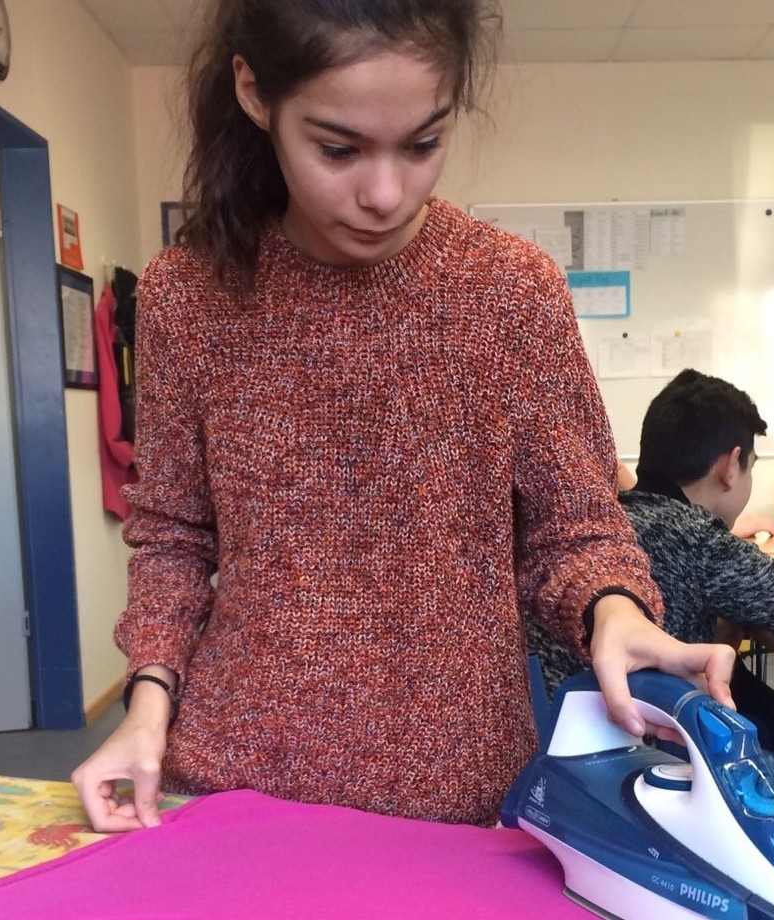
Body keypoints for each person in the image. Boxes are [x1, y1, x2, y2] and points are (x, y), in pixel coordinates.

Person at [71, 0, 736, 835]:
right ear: (255, 92)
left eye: (422, 145)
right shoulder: (189, 295)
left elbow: (575, 527)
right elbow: (173, 535)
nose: (384, 193)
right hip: (234, 780)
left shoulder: (509, 293)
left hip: (456, 794)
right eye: (337, 149)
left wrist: (616, 609)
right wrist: (147, 704)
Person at [528, 368, 774, 918]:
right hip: (638, 742)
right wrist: (728, 550)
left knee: (764, 714)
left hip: (555, 740)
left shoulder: (602, 526)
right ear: (730, 465)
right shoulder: (694, 537)